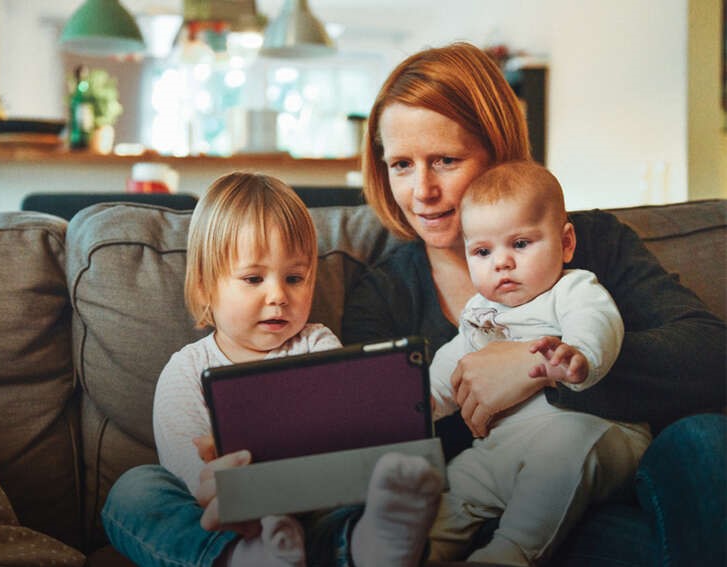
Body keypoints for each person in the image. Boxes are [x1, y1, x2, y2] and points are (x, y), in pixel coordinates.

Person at [341, 42, 725, 563]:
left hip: (619, 484)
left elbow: (710, 356)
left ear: (498, 151)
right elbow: (381, 440)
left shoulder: (590, 243)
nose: (422, 191)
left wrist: (537, 365)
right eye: (402, 165)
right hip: (490, 508)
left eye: (445, 161)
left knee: (706, 439)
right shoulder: (383, 295)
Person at [102, 171, 444, 567]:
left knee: (362, 495)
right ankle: (243, 558)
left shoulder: (317, 344)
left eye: (295, 278)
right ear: (204, 288)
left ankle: (372, 546)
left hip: (314, 506)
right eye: (253, 278)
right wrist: (237, 493)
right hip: (230, 518)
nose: (279, 296)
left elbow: (345, 436)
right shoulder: (186, 370)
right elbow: (189, 474)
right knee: (134, 491)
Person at [426, 160, 651, 565]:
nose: (502, 263)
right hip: (503, 449)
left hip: (594, 437)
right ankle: (420, 551)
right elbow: (452, 366)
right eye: (482, 251)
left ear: (565, 243)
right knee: (455, 482)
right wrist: (421, 402)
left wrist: (579, 354)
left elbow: (597, 320)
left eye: (521, 244)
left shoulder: (571, 288)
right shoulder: (480, 312)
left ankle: (508, 553)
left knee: (560, 452)